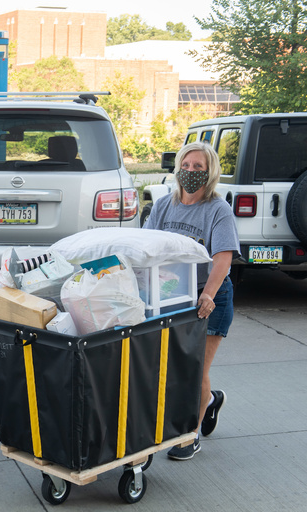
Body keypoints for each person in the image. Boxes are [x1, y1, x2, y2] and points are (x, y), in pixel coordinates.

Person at [143, 141, 240, 460]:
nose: (190, 172)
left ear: (210, 172)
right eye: (186, 165)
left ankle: (189, 433)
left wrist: (208, 295)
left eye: (198, 167)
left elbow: (222, 259)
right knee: (171, 367)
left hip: (210, 297)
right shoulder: (164, 205)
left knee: (195, 370)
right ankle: (209, 401)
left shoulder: (218, 210)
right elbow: (147, 246)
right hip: (171, 296)